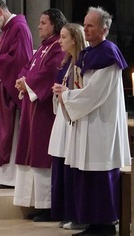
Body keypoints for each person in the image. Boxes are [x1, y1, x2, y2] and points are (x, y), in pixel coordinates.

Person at [53, 6, 131, 236]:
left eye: (90, 25)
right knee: (86, 171)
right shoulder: (90, 53)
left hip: (101, 123)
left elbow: (95, 93)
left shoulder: (109, 54)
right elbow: (82, 86)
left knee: (99, 170)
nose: (85, 29)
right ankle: (91, 221)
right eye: (85, 24)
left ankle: (105, 224)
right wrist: (66, 91)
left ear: (104, 29)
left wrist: (66, 96)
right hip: (87, 120)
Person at [13, 8, 67, 221]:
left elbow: (49, 73)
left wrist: (27, 83)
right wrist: (21, 80)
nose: (39, 26)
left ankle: (48, 206)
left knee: (42, 154)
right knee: (30, 152)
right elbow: (27, 67)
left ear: (54, 24)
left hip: (44, 111)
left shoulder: (57, 48)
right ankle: (35, 202)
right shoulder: (43, 48)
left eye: (43, 22)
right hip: (32, 107)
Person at [0, 0, 33, 188]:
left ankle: (10, 179)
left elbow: (18, 60)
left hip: (10, 95)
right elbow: (3, 57)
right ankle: (2, 177)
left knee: (11, 135)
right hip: (1, 93)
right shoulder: (8, 30)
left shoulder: (18, 27)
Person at [48, 23, 88, 231]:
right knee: (61, 163)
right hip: (63, 118)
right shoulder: (67, 62)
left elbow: (81, 91)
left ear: (74, 39)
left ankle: (74, 213)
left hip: (74, 120)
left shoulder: (82, 62)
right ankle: (65, 211)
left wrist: (65, 93)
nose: (60, 40)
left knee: (70, 165)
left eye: (63, 37)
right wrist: (59, 93)